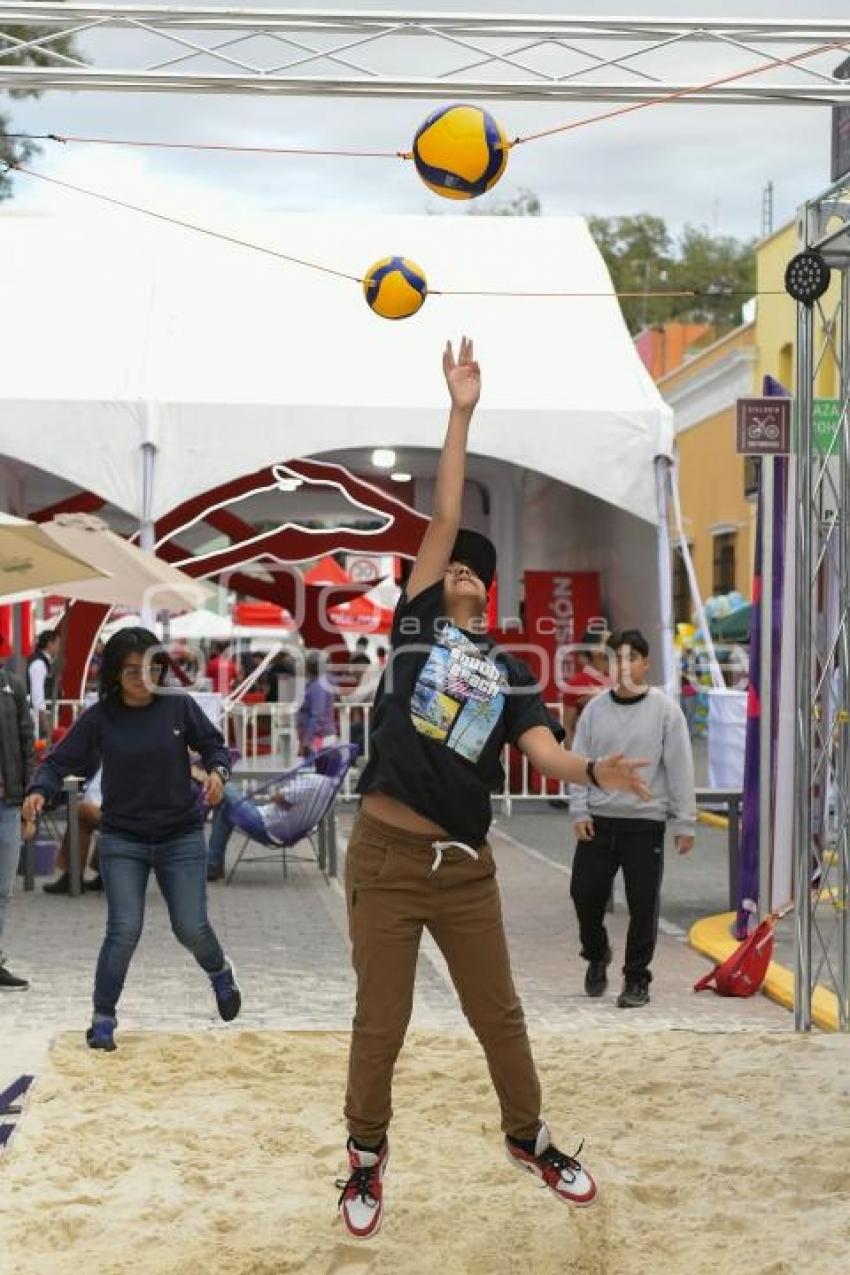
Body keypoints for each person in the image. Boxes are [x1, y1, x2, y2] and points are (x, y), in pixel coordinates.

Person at [335, 337, 651, 1241]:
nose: (461, 569)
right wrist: (462, 413)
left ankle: (529, 1137)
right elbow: (441, 511)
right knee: (380, 1021)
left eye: (475, 567)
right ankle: (365, 1155)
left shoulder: (512, 668)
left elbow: (545, 753)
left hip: (466, 868)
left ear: (493, 591)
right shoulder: (416, 626)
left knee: (500, 1018)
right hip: (388, 859)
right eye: (452, 565)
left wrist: (594, 771)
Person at [21, 627, 241, 1052]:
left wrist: (217, 773)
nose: (145, 677)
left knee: (191, 928)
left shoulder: (178, 707)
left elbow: (215, 747)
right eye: (133, 670)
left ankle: (220, 973)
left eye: (153, 667)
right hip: (123, 838)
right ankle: (102, 1018)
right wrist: (38, 790)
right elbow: (59, 762)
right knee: (124, 929)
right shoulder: (101, 717)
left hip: (181, 835)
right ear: (115, 674)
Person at [569, 628, 696, 1009]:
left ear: (645, 663)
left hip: (645, 824)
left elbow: (680, 767)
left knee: (643, 903)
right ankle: (596, 953)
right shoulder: (594, 709)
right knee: (583, 894)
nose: (622, 666)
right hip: (599, 821)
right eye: (614, 659)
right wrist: (579, 809)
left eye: (629, 658)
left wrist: (684, 822)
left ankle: (637, 979)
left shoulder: (665, 711)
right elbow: (580, 761)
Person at [0, 638, 35, 990]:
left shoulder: (12, 687)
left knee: (2, 889)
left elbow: (27, 744)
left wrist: (29, 801)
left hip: (8, 803)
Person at [561, 628, 613, 747]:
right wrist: (574, 759)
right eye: (608, 643)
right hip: (592, 752)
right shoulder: (577, 683)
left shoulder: (620, 678)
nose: (614, 646)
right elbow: (568, 727)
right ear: (594, 650)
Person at [296, 651, 337, 757]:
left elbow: (318, 715)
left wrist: (308, 742)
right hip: (320, 737)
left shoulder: (317, 686)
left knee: (315, 769)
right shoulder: (319, 684)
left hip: (319, 738)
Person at [28, 628, 59, 741]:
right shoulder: (39, 663)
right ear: (49, 644)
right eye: (57, 644)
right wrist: (44, 720)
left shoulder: (46, 662)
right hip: (37, 716)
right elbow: (37, 694)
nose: (59, 648)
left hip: (43, 713)